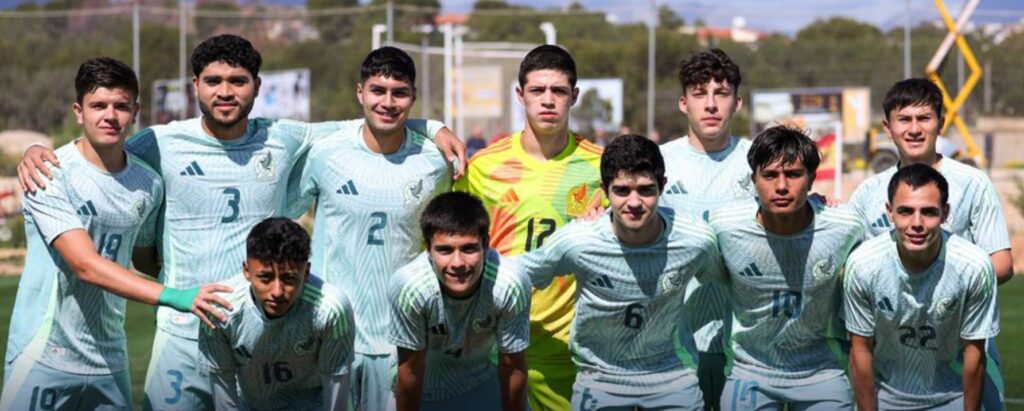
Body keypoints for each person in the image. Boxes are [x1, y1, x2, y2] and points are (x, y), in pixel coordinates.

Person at [18, 35, 463, 411]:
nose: (225, 91)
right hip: (182, 335)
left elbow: (373, 116)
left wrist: (435, 126)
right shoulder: (159, 142)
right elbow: (98, 149)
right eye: (213, 81)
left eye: (237, 81)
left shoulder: (286, 137)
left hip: (261, 340)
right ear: (196, 85)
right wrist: (39, 151)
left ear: (257, 86)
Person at [0, 57, 228, 410]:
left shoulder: (148, 183)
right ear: (79, 111)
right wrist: (177, 296)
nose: (110, 115)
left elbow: (145, 258)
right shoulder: (49, 173)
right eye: (98, 105)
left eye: (121, 106)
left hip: (110, 360)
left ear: (135, 111)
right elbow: (85, 265)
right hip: (44, 354)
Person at [291, 46, 452, 411]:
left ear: (413, 98)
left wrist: (433, 128)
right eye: (378, 90)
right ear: (359, 92)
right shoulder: (325, 153)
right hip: (328, 333)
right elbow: (284, 216)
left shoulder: (434, 162)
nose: (388, 102)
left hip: (403, 339)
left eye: (400, 93)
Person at [517, 135, 721, 410]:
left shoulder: (696, 240)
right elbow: (517, 273)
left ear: (662, 186)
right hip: (600, 378)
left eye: (646, 190)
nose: (634, 202)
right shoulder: (579, 241)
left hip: (672, 376)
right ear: (605, 190)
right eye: (622, 190)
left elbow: (723, 278)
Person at [454, 44, 603, 411]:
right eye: (537, 90)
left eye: (559, 91)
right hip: (494, 344)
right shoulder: (484, 166)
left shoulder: (602, 168)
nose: (548, 100)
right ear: (520, 95)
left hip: (570, 348)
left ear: (575, 96)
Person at [847, 78, 1012, 409]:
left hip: (964, 344)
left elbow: (1003, 263)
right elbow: (851, 265)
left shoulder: (972, 182)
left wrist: (941, 297)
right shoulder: (869, 192)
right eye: (904, 119)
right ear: (887, 127)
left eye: (924, 118)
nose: (914, 129)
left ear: (941, 123)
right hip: (895, 352)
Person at [710, 125, 864, 410]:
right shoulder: (724, 227)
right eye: (769, 175)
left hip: (821, 371)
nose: (781, 186)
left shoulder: (846, 227)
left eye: (793, 174)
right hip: (751, 370)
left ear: (811, 179)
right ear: (754, 180)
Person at [844, 164, 998, 411]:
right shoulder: (863, 265)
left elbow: (974, 354)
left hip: (951, 398)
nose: (917, 223)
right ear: (889, 212)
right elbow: (860, 351)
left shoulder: (974, 266)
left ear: (945, 213)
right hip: (886, 399)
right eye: (905, 211)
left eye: (928, 212)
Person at [659, 48, 750, 411]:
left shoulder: (760, 161)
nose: (711, 104)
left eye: (721, 93)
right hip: (673, 346)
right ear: (684, 103)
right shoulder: (658, 163)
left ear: (737, 102)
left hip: (743, 348)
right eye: (700, 94)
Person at [389, 191, 530, 411]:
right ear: (428, 249)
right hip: (423, 386)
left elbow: (512, 367)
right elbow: (411, 369)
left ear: (486, 244)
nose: (458, 263)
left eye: (468, 248)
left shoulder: (509, 283)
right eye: (444, 250)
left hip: (481, 379)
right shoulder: (410, 286)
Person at [199, 217, 355, 411]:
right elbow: (224, 396)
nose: (277, 291)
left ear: (306, 272)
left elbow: (336, 394)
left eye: (289, 278)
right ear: (246, 270)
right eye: (265, 277)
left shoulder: (331, 309)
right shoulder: (219, 310)